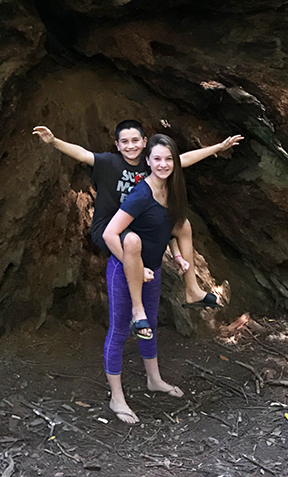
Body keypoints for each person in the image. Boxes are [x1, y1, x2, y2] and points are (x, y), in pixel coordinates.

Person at [31, 120, 242, 339]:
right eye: (124, 142)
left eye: (135, 141)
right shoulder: (109, 162)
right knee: (132, 241)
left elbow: (182, 160)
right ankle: (137, 308)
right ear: (117, 145)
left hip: (137, 223)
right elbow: (83, 154)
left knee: (182, 225)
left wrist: (217, 148)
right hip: (110, 227)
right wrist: (54, 141)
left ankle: (192, 289)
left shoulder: (149, 163)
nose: (130, 146)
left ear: (144, 143)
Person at [101, 133, 187, 424]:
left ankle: (154, 380)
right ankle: (116, 397)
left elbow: (167, 230)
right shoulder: (140, 194)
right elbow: (110, 234)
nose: (163, 164)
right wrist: (134, 267)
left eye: (168, 159)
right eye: (157, 159)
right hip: (124, 271)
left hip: (153, 271)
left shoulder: (171, 191)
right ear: (147, 162)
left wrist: (177, 256)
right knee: (119, 331)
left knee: (148, 324)